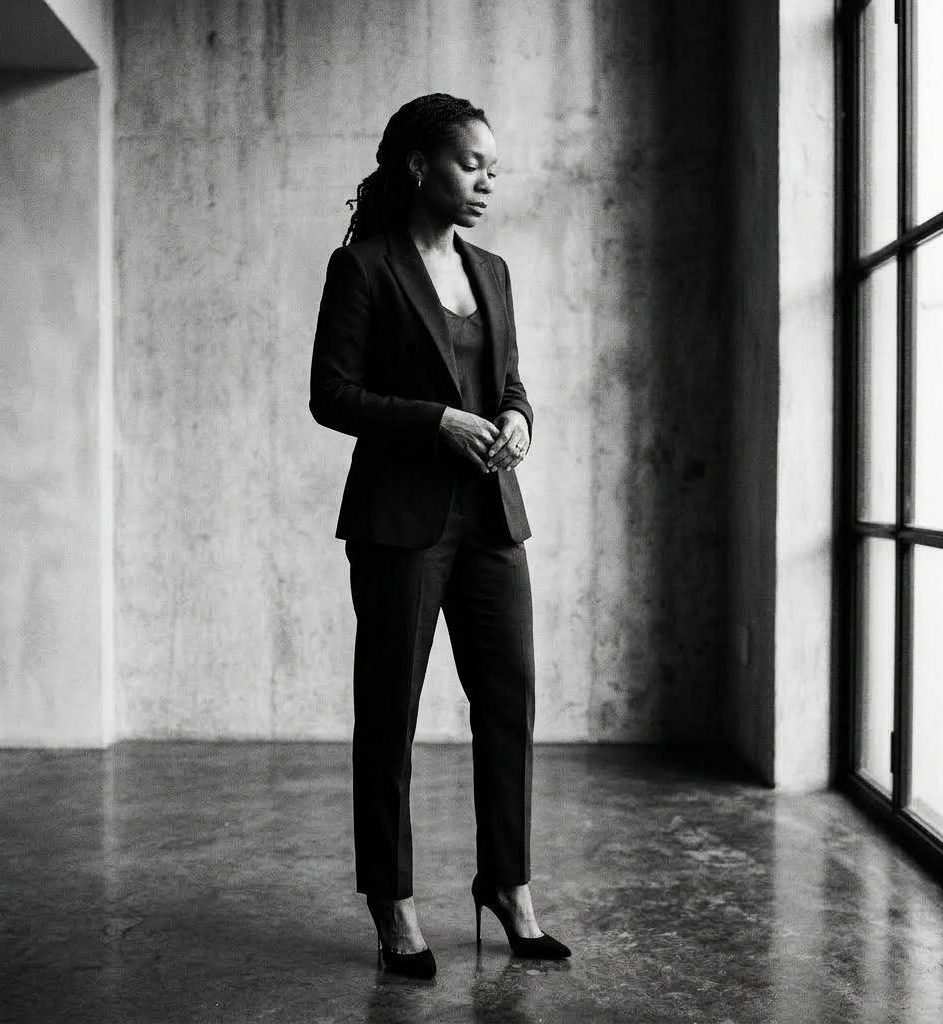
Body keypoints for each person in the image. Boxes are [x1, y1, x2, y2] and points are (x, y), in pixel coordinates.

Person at [309, 93, 570, 978]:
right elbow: (330, 395)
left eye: (493, 167)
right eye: (471, 164)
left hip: (493, 517)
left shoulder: (492, 270)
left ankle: (509, 885)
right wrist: (437, 423)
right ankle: (393, 900)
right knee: (390, 713)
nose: (486, 181)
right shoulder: (365, 268)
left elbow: (512, 381)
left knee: (511, 702)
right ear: (420, 165)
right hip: (400, 525)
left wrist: (517, 420)